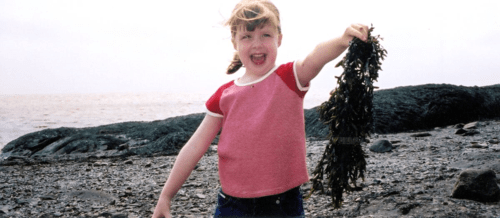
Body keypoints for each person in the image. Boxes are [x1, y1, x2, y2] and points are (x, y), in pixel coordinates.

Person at [152, 0, 368, 217]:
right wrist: (166, 196)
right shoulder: (224, 95)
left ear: (279, 39)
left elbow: (315, 57)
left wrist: (342, 41)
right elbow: (194, 146)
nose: (256, 44)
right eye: (247, 36)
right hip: (232, 205)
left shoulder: (289, 78)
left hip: (282, 204)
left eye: (265, 35)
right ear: (235, 43)